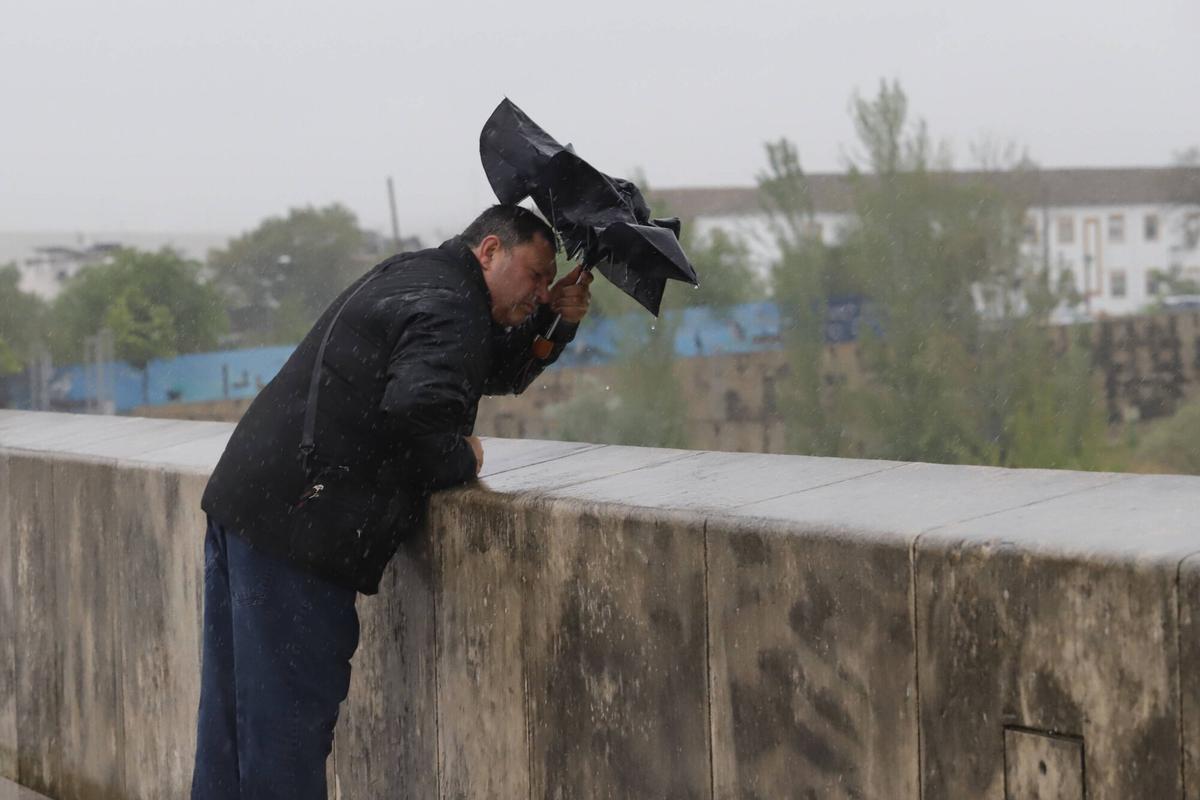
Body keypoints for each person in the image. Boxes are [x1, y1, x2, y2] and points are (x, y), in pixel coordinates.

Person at [191, 204, 592, 799]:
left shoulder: (425, 277)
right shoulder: (451, 304)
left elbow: (482, 367)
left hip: (253, 502)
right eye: (535, 275)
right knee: (284, 734)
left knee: (229, 732)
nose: (539, 291)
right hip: (299, 529)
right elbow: (415, 423)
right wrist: (464, 457)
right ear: (490, 250)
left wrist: (554, 321)